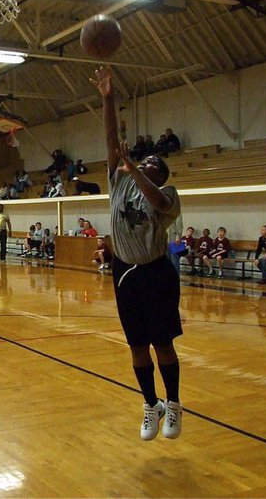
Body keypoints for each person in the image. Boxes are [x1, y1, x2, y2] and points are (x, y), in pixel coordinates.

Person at [95, 66, 183, 441]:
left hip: (156, 272)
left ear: (161, 175)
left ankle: (175, 404)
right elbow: (111, 138)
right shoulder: (119, 180)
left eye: (154, 165)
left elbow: (157, 198)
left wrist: (136, 168)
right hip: (125, 272)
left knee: (162, 343)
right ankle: (151, 404)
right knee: (136, 345)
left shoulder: (169, 196)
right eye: (144, 162)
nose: (147, 164)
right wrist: (108, 98)